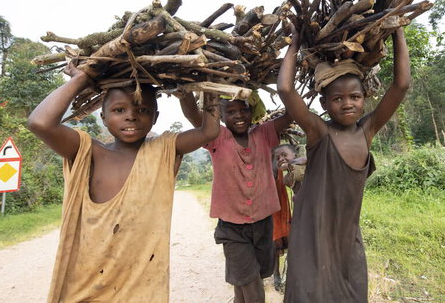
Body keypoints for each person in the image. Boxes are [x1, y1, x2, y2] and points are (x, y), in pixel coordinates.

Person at [27, 63, 220, 303]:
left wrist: (204, 84)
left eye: (143, 109)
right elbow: (40, 123)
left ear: (155, 117)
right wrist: (81, 79)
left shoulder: (163, 149)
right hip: (87, 281)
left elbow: (209, 131)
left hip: (141, 283)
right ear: (103, 117)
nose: (131, 115)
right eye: (119, 110)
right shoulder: (88, 151)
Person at [277, 26, 411, 302]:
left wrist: (398, 32)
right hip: (311, 236)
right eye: (337, 99)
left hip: (347, 238)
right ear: (324, 103)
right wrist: (295, 43)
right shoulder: (319, 132)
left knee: (352, 294)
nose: (347, 104)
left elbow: (401, 85)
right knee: (308, 294)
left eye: (355, 97)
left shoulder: (367, 130)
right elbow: (285, 89)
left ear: (365, 99)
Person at [179, 93, 293, 303]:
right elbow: (194, 115)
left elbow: (293, 112)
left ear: (252, 111)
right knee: (252, 286)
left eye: (244, 109)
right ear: (220, 116)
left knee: (249, 279)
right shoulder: (216, 136)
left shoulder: (265, 134)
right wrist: (187, 94)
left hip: (263, 224)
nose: (239, 115)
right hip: (232, 228)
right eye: (230, 112)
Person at [270, 144, 295, 291]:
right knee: (274, 240)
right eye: (278, 157)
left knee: (289, 239)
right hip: (271, 208)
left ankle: (290, 274)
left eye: (284, 155)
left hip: (283, 206)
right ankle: (276, 275)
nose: (281, 159)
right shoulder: (271, 165)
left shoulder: (289, 166)